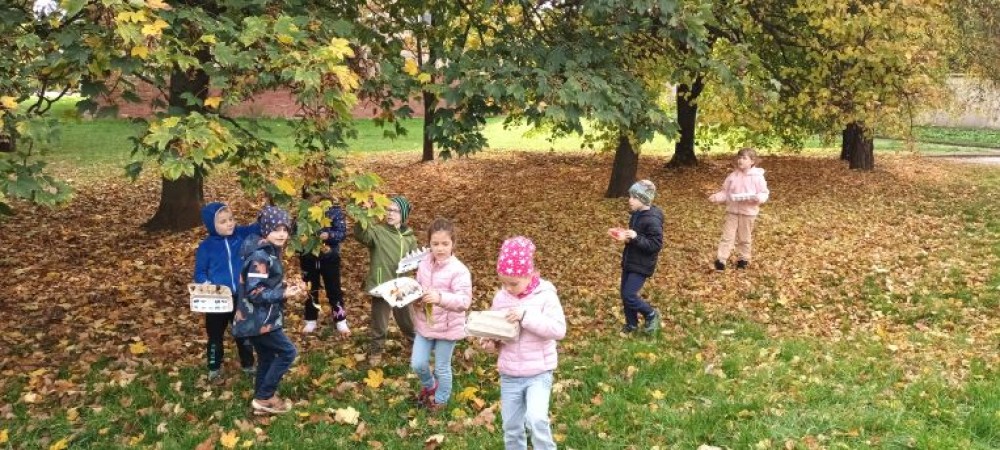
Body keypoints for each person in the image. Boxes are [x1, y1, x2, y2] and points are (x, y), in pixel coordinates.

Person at [482, 236, 566, 450]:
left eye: (514, 283)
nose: (508, 288)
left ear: (530, 274)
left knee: (536, 419)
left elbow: (558, 329)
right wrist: (490, 341)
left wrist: (525, 316)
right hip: (510, 373)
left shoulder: (545, 296)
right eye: (503, 283)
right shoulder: (501, 298)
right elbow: (496, 331)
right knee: (511, 426)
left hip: (538, 372)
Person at [232, 206, 303, 415]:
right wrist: (283, 293)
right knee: (288, 352)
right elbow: (255, 292)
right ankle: (265, 396)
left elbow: (265, 284)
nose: (281, 234)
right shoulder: (260, 256)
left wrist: (285, 287)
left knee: (267, 357)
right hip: (258, 320)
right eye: (276, 229)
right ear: (265, 230)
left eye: (285, 229)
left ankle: (260, 401)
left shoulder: (270, 251)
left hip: (263, 318)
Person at [409, 218, 472, 411]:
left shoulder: (459, 270)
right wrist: (415, 297)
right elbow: (419, 287)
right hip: (426, 323)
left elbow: (464, 301)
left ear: (453, 243)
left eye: (445, 244)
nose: (440, 248)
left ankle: (440, 400)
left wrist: (440, 298)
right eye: (435, 244)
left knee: (441, 367)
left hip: (448, 327)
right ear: (429, 243)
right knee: (418, 363)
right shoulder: (424, 264)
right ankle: (430, 386)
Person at [193, 202, 257, 382]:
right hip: (218, 299)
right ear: (212, 225)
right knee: (215, 335)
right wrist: (207, 284)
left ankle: (248, 364)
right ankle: (214, 366)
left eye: (231, 219)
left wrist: (268, 214)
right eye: (223, 222)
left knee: (243, 332)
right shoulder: (206, 247)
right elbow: (200, 272)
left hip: (239, 296)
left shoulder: (240, 235)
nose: (229, 224)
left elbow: (257, 228)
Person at [353, 196, 418, 364]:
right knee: (379, 322)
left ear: (403, 215)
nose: (390, 213)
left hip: (401, 286)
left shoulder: (409, 237)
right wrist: (363, 214)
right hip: (382, 284)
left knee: (408, 320)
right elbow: (361, 234)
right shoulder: (378, 232)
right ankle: (376, 350)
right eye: (388, 209)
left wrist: (413, 266)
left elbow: (415, 259)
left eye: (395, 211)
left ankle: (417, 345)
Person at [609, 180, 663, 334]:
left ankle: (651, 314)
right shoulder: (636, 214)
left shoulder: (652, 219)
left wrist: (636, 237)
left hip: (642, 264)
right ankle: (631, 324)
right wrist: (626, 238)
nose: (630, 200)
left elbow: (655, 244)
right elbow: (635, 237)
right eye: (630, 196)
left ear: (644, 199)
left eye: (634, 197)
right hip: (630, 260)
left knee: (629, 295)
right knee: (625, 294)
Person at [708, 147, 770, 271]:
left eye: (744, 158)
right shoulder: (732, 176)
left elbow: (764, 193)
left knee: (744, 237)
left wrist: (758, 198)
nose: (740, 160)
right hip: (732, 211)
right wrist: (716, 197)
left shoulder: (757, 177)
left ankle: (743, 259)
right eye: (739, 158)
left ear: (752, 161)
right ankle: (721, 260)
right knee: (727, 236)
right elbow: (725, 192)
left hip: (748, 213)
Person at [300, 204, 349, 334]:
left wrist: (329, 235)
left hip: (330, 257)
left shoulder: (334, 211)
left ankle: (340, 320)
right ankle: (310, 319)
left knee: (334, 289)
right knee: (310, 289)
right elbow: (296, 231)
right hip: (308, 257)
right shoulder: (304, 210)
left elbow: (342, 233)